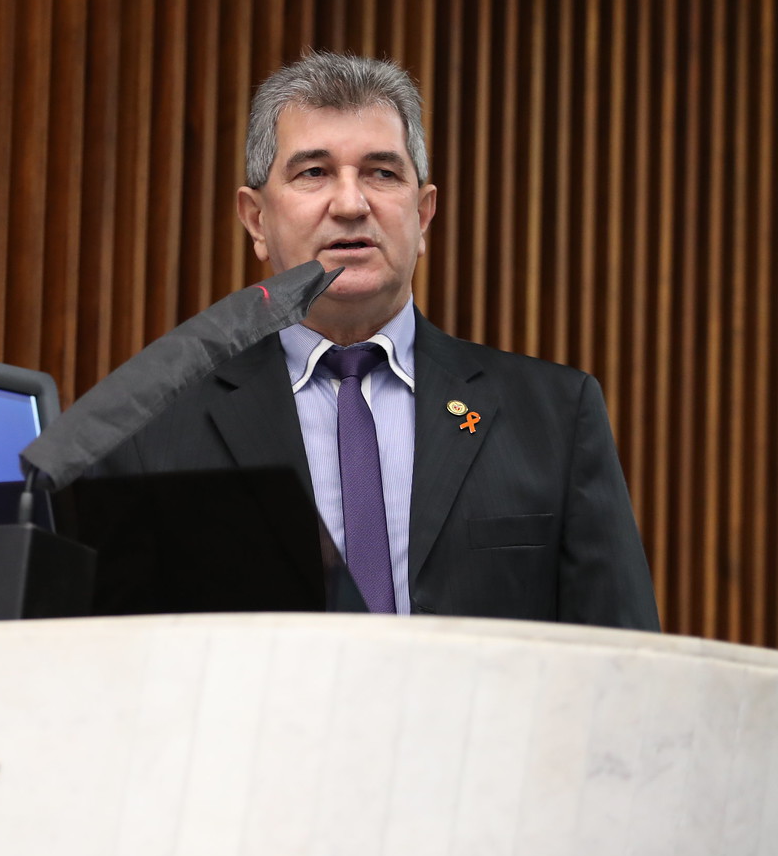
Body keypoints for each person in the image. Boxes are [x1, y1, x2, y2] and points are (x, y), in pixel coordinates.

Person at [97, 50, 658, 628]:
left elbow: (627, 658)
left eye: (382, 173)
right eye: (313, 172)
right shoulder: (150, 429)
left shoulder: (556, 417)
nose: (350, 204)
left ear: (423, 215)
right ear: (257, 220)